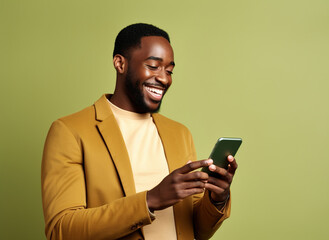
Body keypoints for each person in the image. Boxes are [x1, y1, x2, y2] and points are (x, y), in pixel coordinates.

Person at [41, 23, 238, 240]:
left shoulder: (179, 133)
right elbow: (62, 230)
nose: (164, 78)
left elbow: (196, 231)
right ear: (120, 63)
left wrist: (217, 198)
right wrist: (150, 200)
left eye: (169, 70)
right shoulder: (70, 131)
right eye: (153, 66)